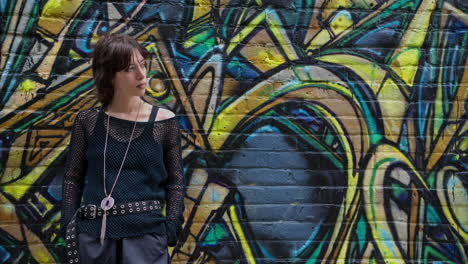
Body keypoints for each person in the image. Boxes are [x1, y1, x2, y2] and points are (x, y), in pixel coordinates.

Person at [60, 34, 184, 264]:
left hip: (147, 239)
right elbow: (72, 178)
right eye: (129, 68)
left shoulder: (164, 122)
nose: (142, 74)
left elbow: (175, 181)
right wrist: (70, 227)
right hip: (94, 237)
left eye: (143, 64)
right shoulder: (88, 121)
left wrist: (171, 227)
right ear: (109, 76)